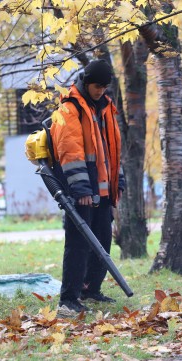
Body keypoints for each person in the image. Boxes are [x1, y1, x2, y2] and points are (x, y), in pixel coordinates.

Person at [50, 59, 125, 315]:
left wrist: (119, 180)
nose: (100, 91)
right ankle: (68, 298)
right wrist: (81, 190)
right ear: (86, 81)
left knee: (103, 241)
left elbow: (112, 150)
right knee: (78, 244)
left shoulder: (105, 107)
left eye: (104, 87)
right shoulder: (70, 109)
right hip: (81, 191)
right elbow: (71, 152)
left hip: (103, 191)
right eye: (96, 86)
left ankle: (91, 289)